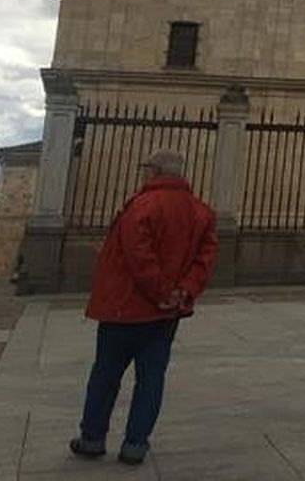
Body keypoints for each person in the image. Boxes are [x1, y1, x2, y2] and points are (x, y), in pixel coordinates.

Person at [69, 148, 218, 466]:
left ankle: (92, 438)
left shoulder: (141, 206)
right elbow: (204, 259)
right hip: (167, 313)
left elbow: (139, 258)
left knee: (106, 375)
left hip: (125, 307)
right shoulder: (201, 211)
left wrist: (161, 292)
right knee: (151, 379)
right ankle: (136, 444)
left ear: (153, 171)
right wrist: (183, 291)